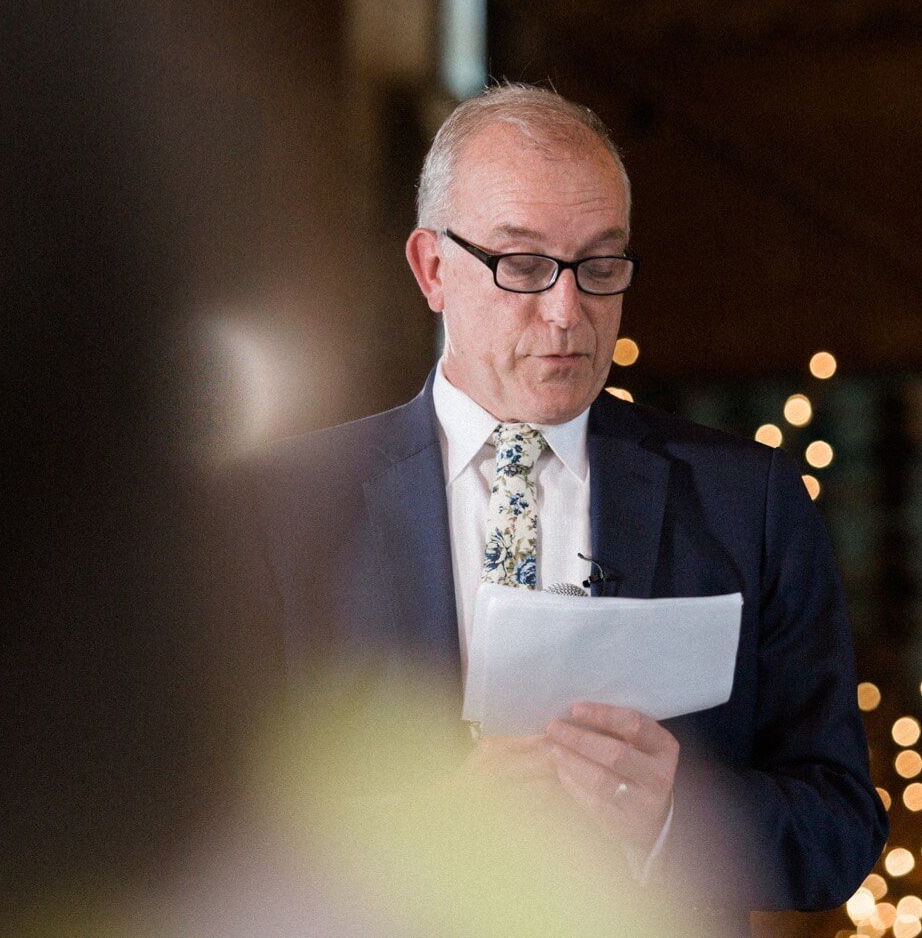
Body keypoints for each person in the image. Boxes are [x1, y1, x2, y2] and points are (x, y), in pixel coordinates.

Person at [239, 84, 887, 932]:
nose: (567, 311)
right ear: (432, 268)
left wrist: (674, 815)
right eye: (523, 266)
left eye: (600, 266)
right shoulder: (284, 511)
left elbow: (841, 828)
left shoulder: (747, 502)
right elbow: (194, 829)